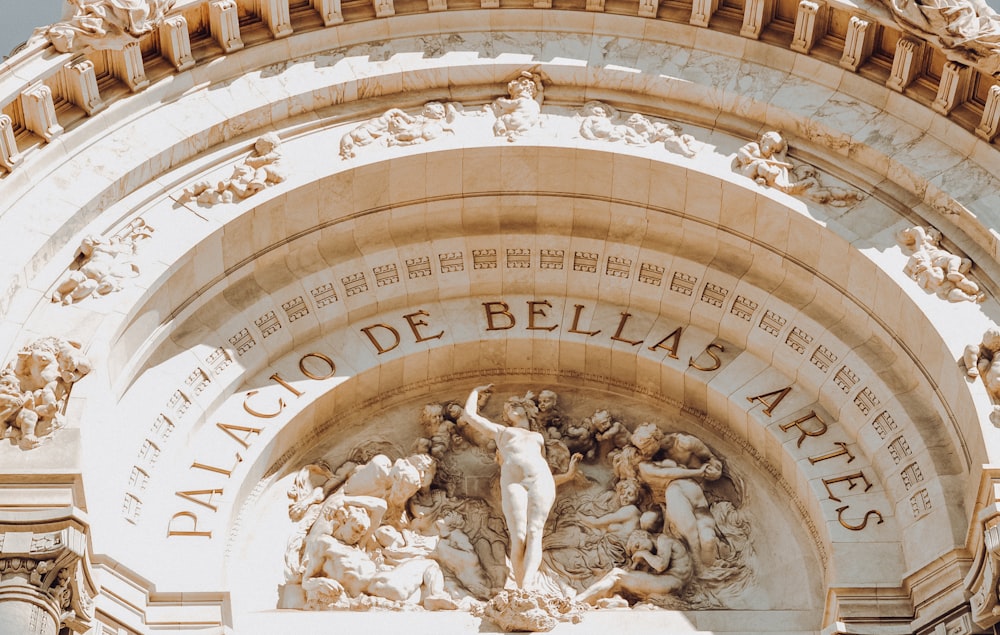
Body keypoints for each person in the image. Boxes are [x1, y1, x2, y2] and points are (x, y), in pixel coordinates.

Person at [462, 384, 571, 589]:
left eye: (513, 405)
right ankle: (521, 585)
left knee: (535, 531)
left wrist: (568, 475)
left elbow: (544, 465)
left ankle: (527, 586)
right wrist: (475, 391)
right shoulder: (502, 432)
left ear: (525, 409)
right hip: (514, 482)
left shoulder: (538, 437)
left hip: (541, 480)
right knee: (519, 534)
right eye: (506, 408)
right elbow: (470, 416)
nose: (508, 409)